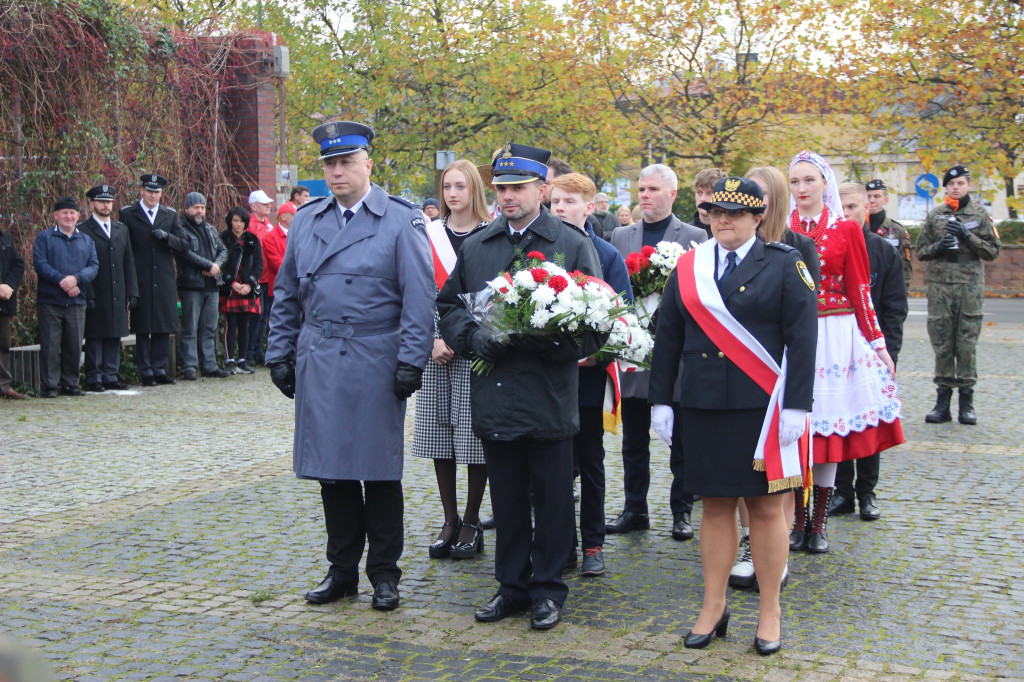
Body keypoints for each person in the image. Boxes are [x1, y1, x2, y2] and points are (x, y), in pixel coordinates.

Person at [266, 120, 434, 612]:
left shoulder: (401, 220)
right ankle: (342, 573)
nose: (337, 172)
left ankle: (384, 574)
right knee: (332, 474)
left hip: (376, 358)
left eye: (346, 162)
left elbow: (419, 300)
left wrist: (411, 361)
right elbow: (287, 293)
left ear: (368, 164)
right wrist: (279, 352)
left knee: (379, 474)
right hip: (321, 358)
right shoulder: (307, 219)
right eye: (329, 165)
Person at [438, 142, 603, 631]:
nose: (508, 196)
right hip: (497, 394)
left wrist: (549, 341)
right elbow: (449, 306)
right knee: (507, 500)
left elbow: (598, 320)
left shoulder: (570, 243)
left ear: (542, 188)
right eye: (502, 188)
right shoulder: (478, 245)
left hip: (549, 393)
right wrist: (474, 338)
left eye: (518, 187)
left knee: (552, 500)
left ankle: (548, 589)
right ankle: (511, 586)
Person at [649, 176, 817, 656]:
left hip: (763, 410)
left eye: (735, 213)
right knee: (715, 506)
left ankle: (769, 612)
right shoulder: (689, 266)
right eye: (715, 212)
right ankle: (713, 606)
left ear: (757, 217)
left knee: (765, 510)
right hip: (704, 407)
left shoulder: (785, 265)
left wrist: (798, 406)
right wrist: (661, 399)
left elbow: (804, 340)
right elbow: (669, 337)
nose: (723, 220)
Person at [787, 150, 904, 554]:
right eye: (795, 182)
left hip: (836, 335)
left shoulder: (845, 229)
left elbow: (860, 290)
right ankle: (795, 521)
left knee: (827, 430)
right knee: (796, 431)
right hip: (791, 337)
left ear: (824, 183)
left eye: (809, 181)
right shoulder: (780, 228)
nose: (802, 189)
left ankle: (817, 524)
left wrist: (878, 344)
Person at [730, 165, 819, 589]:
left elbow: (803, 323)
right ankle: (750, 541)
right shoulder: (722, 249)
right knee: (747, 471)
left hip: (780, 375)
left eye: (761, 194)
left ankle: (776, 550)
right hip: (738, 375)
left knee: (780, 473)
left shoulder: (798, 247)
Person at [608, 164, 707, 540]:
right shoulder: (620, 235)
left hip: (677, 349)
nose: (644, 195)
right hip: (634, 349)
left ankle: (681, 510)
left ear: (672, 193)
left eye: (652, 189)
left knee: (681, 437)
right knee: (634, 438)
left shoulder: (695, 235)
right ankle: (635, 508)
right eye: (641, 189)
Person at [550, 172, 634, 577]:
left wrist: (593, 353)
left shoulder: (606, 254)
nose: (561, 208)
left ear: (589, 205)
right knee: (555, 466)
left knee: (591, 460)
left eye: (568, 201)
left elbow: (623, 315)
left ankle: (593, 545)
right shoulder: (541, 251)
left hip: (588, 377)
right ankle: (560, 544)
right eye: (555, 202)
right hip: (548, 379)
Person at [413, 159, 491, 561]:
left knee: (474, 440)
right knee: (439, 436)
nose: (452, 194)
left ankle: (473, 521)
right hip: (435, 351)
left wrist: (462, 338)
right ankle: (449, 517)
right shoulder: (428, 235)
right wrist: (431, 339)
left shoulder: (491, 234)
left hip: (474, 350)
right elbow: (416, 291)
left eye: (460, 186)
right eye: (447, 187)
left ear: (474, 189)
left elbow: (494, 296)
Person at [831, 183, 908, 520]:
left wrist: (887, 351)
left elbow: (894, 307)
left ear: (867, 208)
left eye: (852, 207)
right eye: (841, 208)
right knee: (842, 418)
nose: (846, 214)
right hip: (839, 347)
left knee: (870, 422)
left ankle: (867, 493)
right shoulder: (829, 245)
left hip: (872, 347)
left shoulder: (882, 249)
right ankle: (842, 491)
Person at [916, 165, 1001, 425]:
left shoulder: (979, 214)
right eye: (951, 184)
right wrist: (939, 247)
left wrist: (968, 236)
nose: (956, 188)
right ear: (946, 188)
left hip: (968, 288)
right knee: (942, 343)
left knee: (966, 345)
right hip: (940, 286)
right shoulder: (936, 215)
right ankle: (943, 402)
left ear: (968, 186)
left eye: (960, 183)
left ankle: (967, 402)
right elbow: (921, 251)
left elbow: (992, 251)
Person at [121, 174, 184, 386]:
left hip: (164, 278)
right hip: (140, 277)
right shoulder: (128, 214)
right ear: (141, 191)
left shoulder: (169, 215)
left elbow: (185, 243)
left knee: (163, 326)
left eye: (156, 192)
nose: (153, 196)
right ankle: (145, 370)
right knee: (143, 327)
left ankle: (159, 369)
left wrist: (168, 238)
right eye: (149, 191)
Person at [33, 197, 99, 397]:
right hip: (50, 300)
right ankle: (50, 385)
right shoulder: (44, 237)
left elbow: (94, 266)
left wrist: (77, 280)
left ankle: (71, 383)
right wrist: (63, 281)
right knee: (51, 345)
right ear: (55, 215)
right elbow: (41, 264)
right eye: (64, 213)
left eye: (72, 213)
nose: (69, 216)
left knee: (73, 344)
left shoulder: (86, 240)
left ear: (78, 216)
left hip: (77, 301)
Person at [79, 184, 138, 392]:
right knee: (95, 334)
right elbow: (82, 263)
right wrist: (88, 293)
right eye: (102, 201)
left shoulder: (121, 229)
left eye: (109, 201)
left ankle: (110, 375)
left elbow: (128, 262)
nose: (106, 205)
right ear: (92, 203)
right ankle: (94, 377)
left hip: (118, 289)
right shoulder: (83, 230)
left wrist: (132, 291)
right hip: (96, 288)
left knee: (115, 333)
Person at [171, 192, 228, 380]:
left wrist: (216, 266)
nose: (200, 211)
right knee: (190, 328)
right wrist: (207, 265)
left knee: (209, 328)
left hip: (212, 285)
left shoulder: (211, 229)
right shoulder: (180, 230)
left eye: (202, 207)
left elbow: (223, 250)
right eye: (196, 207)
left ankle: (209, 366)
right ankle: (189, 367)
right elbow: (184, 253)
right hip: (191, 286)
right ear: (186, 209)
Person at [219, 206, 263, 375]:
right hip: (230, 287)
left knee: (245, 324)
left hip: (247, 287)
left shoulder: (252, 240)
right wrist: (232, 283)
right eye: (235, 220)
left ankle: (243, 360)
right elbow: (220, 264)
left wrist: (250, 284)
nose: (238, 224)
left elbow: (259, 264)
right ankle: (230, 360)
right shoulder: (223, 238)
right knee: (230, 324)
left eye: (241, 221)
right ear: (230, 222)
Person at [865, 180, 912, 290]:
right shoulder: (857, 228)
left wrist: (903, 292)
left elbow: (905, 267)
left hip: (888, 287)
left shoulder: (897, 230)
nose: (872, 200)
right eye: (868, 196)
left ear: (885, 200)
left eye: (877, 196)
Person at [246, 189, 275, 366]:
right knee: (255, 317)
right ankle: (250, 352)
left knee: (264, 316)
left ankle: (258, 350)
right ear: (254, 206)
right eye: (264, 204)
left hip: (267, 278)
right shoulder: (249, 224)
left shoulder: (268, 223)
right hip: (255, 277)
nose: (269, 206)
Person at [0, 224, 26, 399]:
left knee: (3, 344)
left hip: (3, 302)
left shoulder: (5, 237)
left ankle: (3, 385)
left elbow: (18, 264)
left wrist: (8, 285)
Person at [691, 168, 728, 238]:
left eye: (709, 193)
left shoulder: (729, 232)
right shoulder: (684, 232)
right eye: (699, 193)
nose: (702, 199)